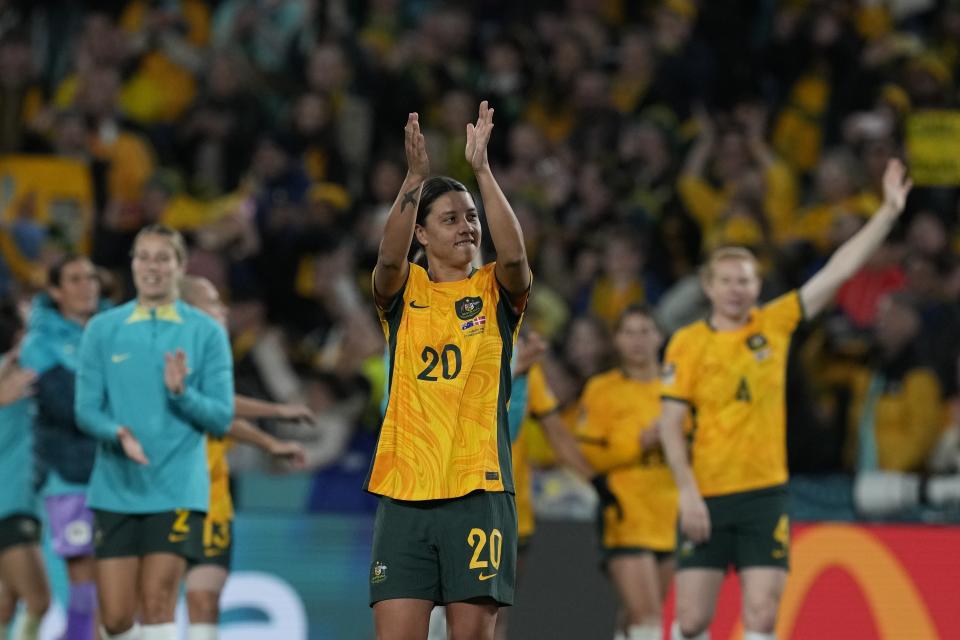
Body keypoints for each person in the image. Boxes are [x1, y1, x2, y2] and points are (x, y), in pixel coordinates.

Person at [659, 159, 913, 640]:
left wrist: (888, 213)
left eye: (746, 281)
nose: (737, 290)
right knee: (691, 620)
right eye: (727, 281)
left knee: (761, 615)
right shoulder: (687, 343)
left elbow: (838, 271)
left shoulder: (773, 325)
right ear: (708, 287)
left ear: (757, 287)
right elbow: (671, 423)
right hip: (706, 494)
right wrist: (687, 492)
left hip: (765, 494)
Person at [367, 101, 530, 639]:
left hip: (478, 489)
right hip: (406, 489)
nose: (467, 227)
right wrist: (413, 179)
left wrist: (483, 172)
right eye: (451, 218)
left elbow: (516, 262)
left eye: (472, 217)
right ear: (421, 233)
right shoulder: (404, 291)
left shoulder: (494, 289)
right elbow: (386, 265)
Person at [75, 224, 235, 640]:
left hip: (178, 487)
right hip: (115, 487)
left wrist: (182, 394)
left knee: (158, 603)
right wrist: (116, 433)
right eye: (143, 256)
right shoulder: (102, 329)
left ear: (179, 267)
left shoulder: (206, 333)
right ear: (132, 264)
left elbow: (221, 417)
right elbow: (86, 409)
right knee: (114, 618)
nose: (152, 266)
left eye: (163, 258)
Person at [178, 275, 309, 640]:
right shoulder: (163, 357)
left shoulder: (216, 360)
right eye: (212, 302)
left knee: (205, 605)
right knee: (149, 604)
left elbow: (220, 411)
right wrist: (274, 426)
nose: (222, 309)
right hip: (165, 501)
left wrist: (271, 439)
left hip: (213, 500)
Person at [576, 305, 678, 640]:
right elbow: (589, 454)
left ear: (660, 337)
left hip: (670, 514)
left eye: (645, 331)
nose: (638, 341)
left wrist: (678, 439)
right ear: (616, 340)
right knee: (648, 620)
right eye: (629, 332)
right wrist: (639, 442)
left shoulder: (678, 388)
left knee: (638, 617)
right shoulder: (602, 389)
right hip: (626, 513)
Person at [19, 256, 106, 640]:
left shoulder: (112, 332)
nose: (87, 285)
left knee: (113, 582)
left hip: (114, 473)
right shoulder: (42, 343)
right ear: (56, 291)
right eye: (75, 279)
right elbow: (66, 407)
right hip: (68, 475)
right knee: (84, 576)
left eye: (91, 277)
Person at [0, 297, 50, 640]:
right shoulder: (17, 367)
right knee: (38, 600)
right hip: (9, 504)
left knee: (6, 603)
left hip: (18, 500)